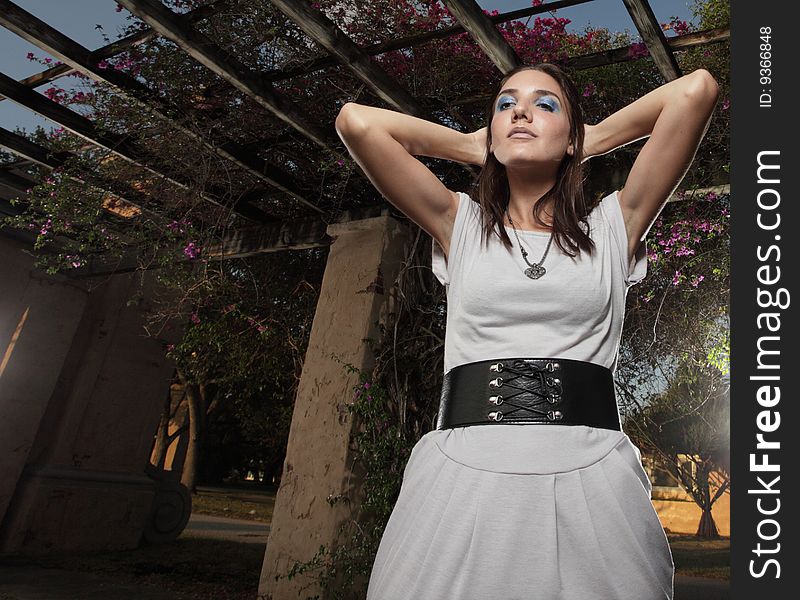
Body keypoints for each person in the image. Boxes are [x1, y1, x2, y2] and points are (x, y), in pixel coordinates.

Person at [335, 62, 719, 600]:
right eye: (505, 104)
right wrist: (472, 147)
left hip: (592, 475)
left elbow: (695, 90)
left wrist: (588, 139)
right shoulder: (459, 224)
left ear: (572, 137)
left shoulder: (615, 227)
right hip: (462, 473)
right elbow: (358, 123)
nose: (521, 110)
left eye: (546, 104)